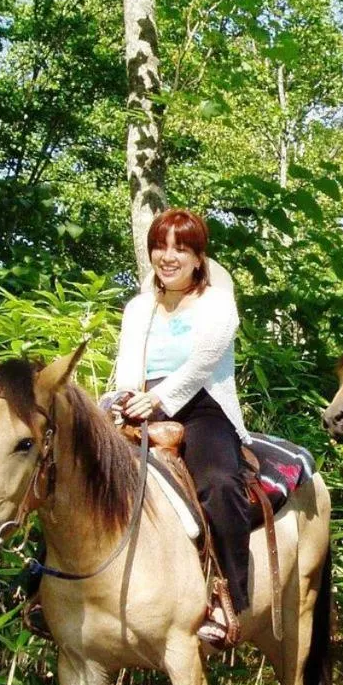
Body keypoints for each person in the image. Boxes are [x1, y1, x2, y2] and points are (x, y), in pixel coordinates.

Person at [114, 207, 251, 645]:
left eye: (181, 248)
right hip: (140, 403)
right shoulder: (139, 309)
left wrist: (157, 398)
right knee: (76, 461)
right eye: (160, 246)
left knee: (219, 484)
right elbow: (127, 367)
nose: (167, 256)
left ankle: (229, 599)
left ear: (198, 258)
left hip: (202, 405)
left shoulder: (217, 304)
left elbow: (201, 365)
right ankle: (44, 586)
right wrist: (123, 399)